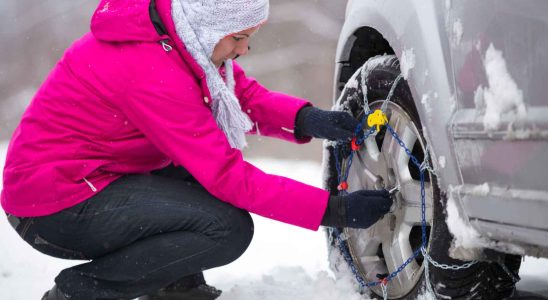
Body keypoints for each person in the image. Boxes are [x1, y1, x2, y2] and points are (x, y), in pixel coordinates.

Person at [1, 0, 393, 299]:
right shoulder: (149, 67)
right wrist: (331, 210)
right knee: (225, 229)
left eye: (248, 38)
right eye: (238, 38)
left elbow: (240, 97)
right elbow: (227, 176)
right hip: (54, 205)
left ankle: (175, 285)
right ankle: (82, 291)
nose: (243, 50)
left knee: (198, 190)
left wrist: (307, 119)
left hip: (91, 180)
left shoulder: (177, 42)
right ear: (209, 28)